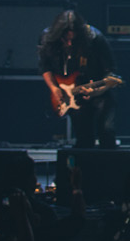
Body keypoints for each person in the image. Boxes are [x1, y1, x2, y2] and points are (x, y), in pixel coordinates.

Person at [38, 8, 119, 148]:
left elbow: (111, 73)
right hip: (73, 95)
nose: (69, 43)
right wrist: (54, 88)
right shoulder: (47, 39)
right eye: (66, 39)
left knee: (106, 132)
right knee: (84, 137)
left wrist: (97, 91)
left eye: (73, 40)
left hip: (100, 94)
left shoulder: (95, 38)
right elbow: (45, 67)